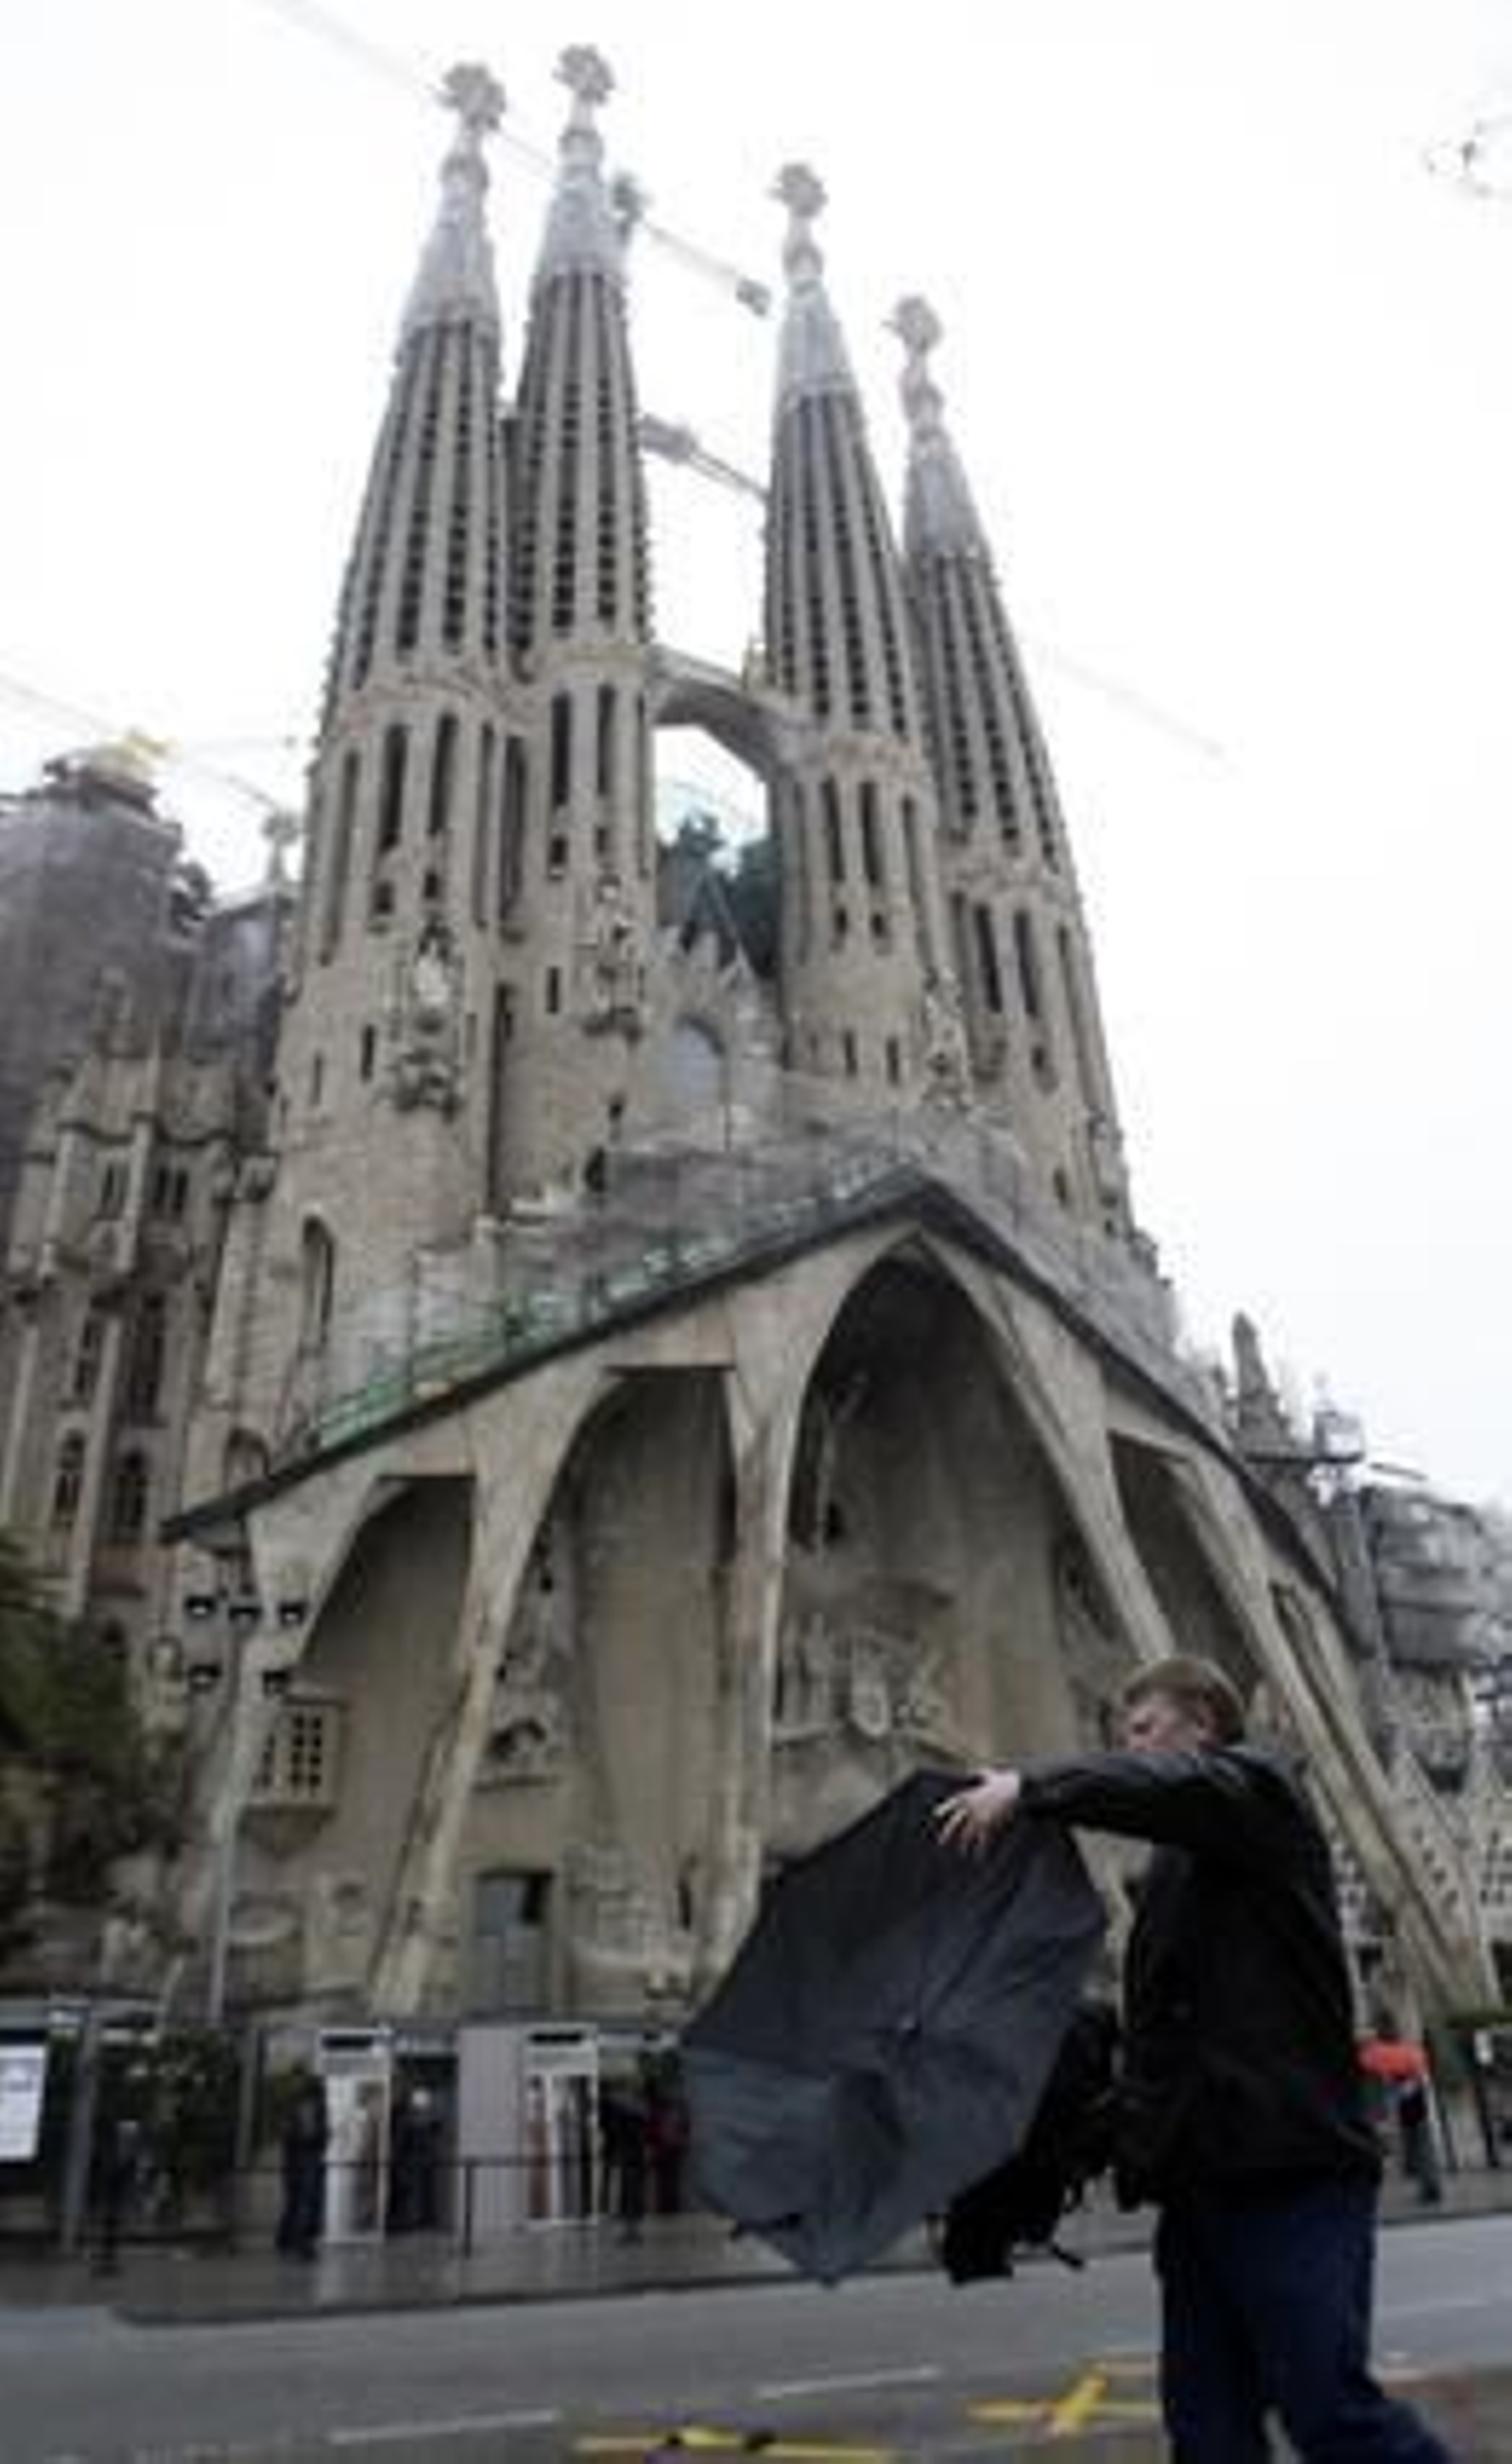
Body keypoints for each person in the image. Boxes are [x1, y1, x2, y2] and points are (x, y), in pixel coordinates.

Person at [936, 1654, 1452, 2463]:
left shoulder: (1262, 1790)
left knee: (1331, 2414)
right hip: (1203, 2185)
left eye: (1145, 1729)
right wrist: (1059, 2136)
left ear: (1203, 1726)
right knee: (1208, 2429)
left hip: (1291, 2175)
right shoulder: (1176, 1870)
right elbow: (1178, 2039)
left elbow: (1171, 1786)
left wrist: (1030, 1787)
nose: (1132, 1746)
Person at [275, 2075, 328, 2260]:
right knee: (304, 2203)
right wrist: (323, 2137)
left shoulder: (293, 2107)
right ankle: (301, 2243)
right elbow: (310, 2134)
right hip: (305, 2161)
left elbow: (289, 2135)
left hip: (293, 2162)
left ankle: (284, 2239)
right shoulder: (309, 2108)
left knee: (294, 2202)